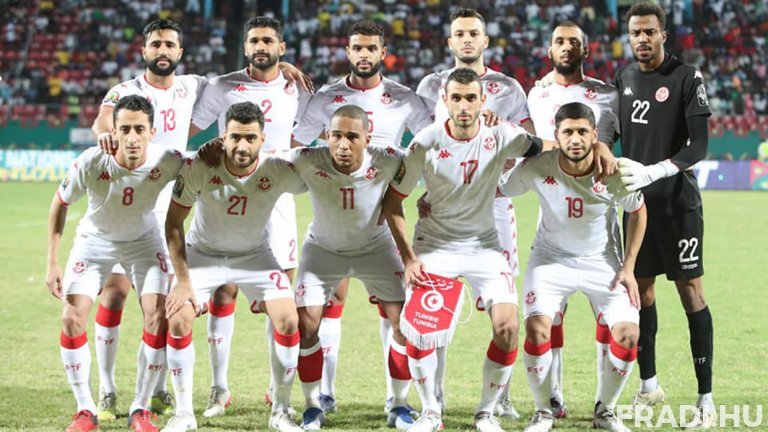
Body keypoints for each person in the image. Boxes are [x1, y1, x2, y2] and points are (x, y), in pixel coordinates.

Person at [382, 68, 547, 432]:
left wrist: (594, 146)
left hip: (484, 246)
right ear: (444, 101)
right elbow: (392, 203)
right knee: (419, 331)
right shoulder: (425, 142)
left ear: (482, 101)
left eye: (471, 98)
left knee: (508, 327)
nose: (463, 105)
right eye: (455, 98)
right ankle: (430, 412)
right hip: (434, 245)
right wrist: (409, 258)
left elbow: (543, 147)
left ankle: (486, 412)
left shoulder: (502, 134)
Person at [291, 19, 432, 415]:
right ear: (348, 52)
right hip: (331, 224)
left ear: (383, 52)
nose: (364, 54)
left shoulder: (405, 99)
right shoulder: (325, 98)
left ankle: (397, 402)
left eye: (372, 48)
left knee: (401, 317)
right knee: (322, 313)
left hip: (379, 225)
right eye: (358, 47)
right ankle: (321, 398)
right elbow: (293, 147)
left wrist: (431, 193)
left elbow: (430, 147)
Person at [188, 16, 311, 417]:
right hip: (228, 192)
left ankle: (277, 390)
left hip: (276, 196)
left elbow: (307, 134)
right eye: (254, 40)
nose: (261, 46)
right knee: (224, 291)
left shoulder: (296, 87)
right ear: (245, 47)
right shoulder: (221, 86)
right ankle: (219, 389)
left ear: (281, 47)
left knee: (280, 295)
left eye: (268, 41)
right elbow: (189, 129)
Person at [498, 102, 645, 432]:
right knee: (537, 330)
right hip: (550, 261)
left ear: (594, 136)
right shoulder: (538, 167)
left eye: (582, 132)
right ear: (557, 135)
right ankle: (543, 411)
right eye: (568, 132)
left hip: (602, 262)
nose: (575, 139)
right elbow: (497, 189)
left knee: (629, 335)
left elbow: (638, 210)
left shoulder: (613, 171)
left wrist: (629, 267)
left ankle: (605, 411)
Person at [416, 9, 533, 417]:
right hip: (443, 211)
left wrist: (501, 152)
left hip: (493, 207)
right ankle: (435, 398)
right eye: (459, 33)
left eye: (474, 33)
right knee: (435, 307)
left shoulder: (509, 88)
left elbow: (529, 143)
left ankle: (502, 397)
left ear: (485, 41)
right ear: (450, 42)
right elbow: (423, 142)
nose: (467, 39)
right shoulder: (430, 86)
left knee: (503, 307)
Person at [163, 101, 305, 432]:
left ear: (262, 139)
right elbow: (173, 222)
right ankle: (184, 413)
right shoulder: (201, 165)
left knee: (288, 319)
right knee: (179, 318)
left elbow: (322, 174)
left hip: (255, 256)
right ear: (223, 137)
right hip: (203, 255)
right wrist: (182, 280)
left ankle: (280, 411)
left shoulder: (277, 168)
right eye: (235, 137)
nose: (242, 146)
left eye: (250, 138)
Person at [89, 19, 206, 418]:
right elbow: (103, 119)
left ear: (180, 52)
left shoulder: (192, 85)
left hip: (167, 210)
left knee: (159, 307)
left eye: (170, 44)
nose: (163, 50)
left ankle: (153, 392)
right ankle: (106, 389)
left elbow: (236, 81)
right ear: (144, 51)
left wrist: (283, 67)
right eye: (156, 44)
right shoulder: (126, 90)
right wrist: (106, 135)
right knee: (114, 293)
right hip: (127, 206)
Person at [46, 95, 184, 432]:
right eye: (125, 129)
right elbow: (60, 202)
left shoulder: (168, 160)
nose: (132, 137)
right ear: (114, 131)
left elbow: (207, 169)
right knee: (71, 317)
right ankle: (85, 410)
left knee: (158, 315)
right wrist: (52, 261)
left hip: (144, 242)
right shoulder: (93, 160)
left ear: (152, 132)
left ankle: (140, 408)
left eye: (139, 129)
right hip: (95, 242)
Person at [614, 3, 714, 428]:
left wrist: (657, 169)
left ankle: (706, 399)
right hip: (637, 206)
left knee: (691, 292)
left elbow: (700, 145)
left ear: (662, 35)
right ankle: (649, 386)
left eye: (649, 32)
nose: (642, 39)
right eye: (635, 32)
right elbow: (612, 134)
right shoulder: (623, 78)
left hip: (677, 203)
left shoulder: (686, 76)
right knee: (641, 291)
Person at [292, 105, 415, 430]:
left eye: (352, 137)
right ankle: (312, 406)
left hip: (375, 248)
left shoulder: (389, 158)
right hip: (323, 250)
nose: (343, 145)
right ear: (326, 136)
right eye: (336, 136)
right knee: (306, 325)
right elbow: (265, 162)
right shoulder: (307, 159)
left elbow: (431, 165)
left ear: (367, 139)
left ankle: (399, 405)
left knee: (404, 323)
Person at [526, 21, 620, 418]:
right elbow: (536, 147)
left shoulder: (608, 95)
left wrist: (600, 147)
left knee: (609, 314)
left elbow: (610, 147)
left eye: (573, 42)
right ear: (549, 50)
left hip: (599, 218)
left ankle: (604, 405)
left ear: (586, 49)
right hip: (553, 217)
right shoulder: (537, 94)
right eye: (559, 41)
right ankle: (554, 398)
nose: (566, 47)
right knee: (551, 314)